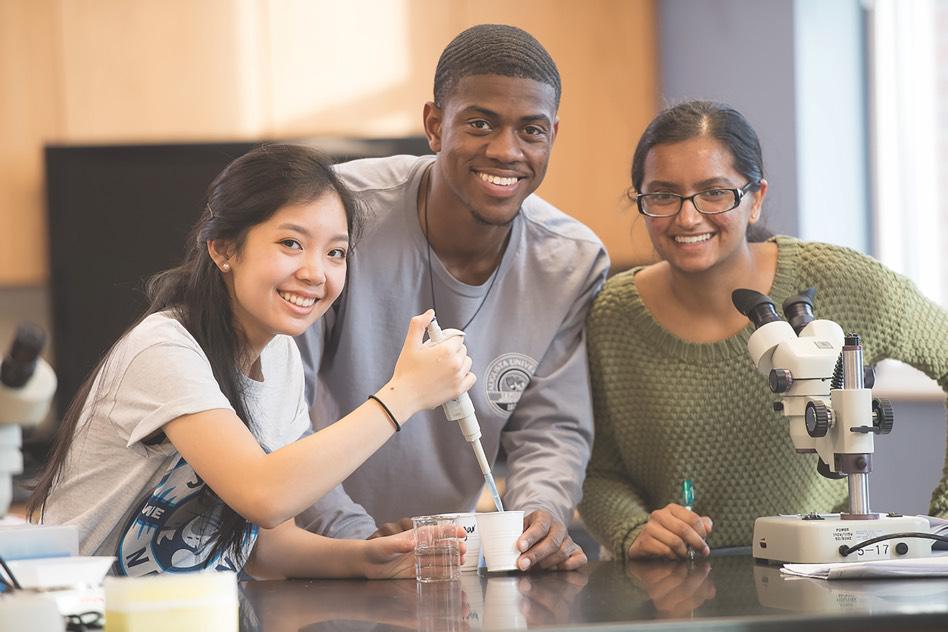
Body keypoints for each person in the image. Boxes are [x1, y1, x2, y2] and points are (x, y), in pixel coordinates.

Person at [29, 144, 474, 578]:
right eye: (291, 243)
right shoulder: (164, 348)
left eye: (335, 252)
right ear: (223, 249)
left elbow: (269, 544)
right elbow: (263, 494)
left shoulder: (280, 359)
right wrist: (405, 394)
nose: (316, 273)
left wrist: (366, 559)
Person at [297, 24, 609, 571]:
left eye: (531, 131)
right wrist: (356, 537)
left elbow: (551, 429)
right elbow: (280, 411)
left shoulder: (571, 261)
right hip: (311, 552)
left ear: (553, 136)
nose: (506, 150)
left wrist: (538, 515)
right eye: (480, 123)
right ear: (435, 125)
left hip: (446, 564)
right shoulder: (338, 214)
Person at [578, 100, 948, 560]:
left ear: (756, 199)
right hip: (677, 594)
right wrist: (633, 529)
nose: (687, 217)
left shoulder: (845, 283)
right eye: (663, 195)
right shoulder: (611, 318)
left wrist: (944, 516)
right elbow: (596, 472)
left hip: (828, 580)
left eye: (715, 192)